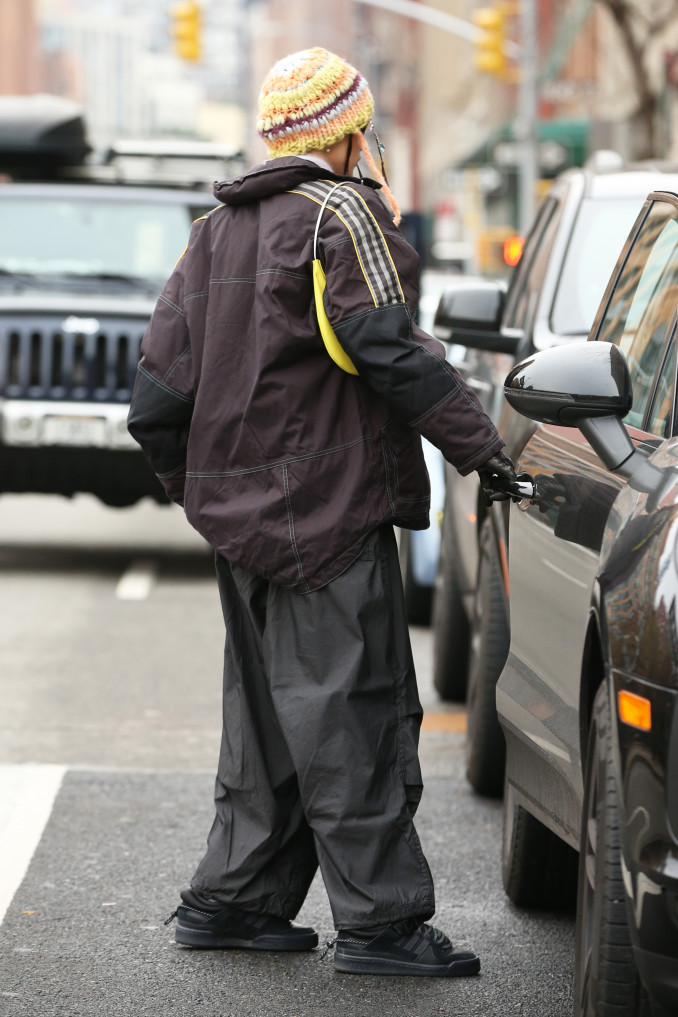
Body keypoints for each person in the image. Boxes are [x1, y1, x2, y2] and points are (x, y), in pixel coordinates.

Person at [128, 47, 516, 978]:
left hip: (242, 524)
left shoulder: (212, 231)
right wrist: (488, 449)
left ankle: (234, 900)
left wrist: (208, 496)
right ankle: (381, 926)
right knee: (356, 710)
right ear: (348, 134)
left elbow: (154, 400)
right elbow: (393, 347)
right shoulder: (345, 212)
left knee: (264, 718)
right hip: (332, 512)